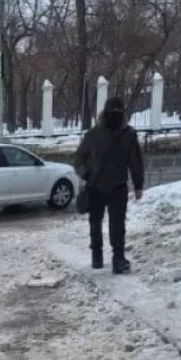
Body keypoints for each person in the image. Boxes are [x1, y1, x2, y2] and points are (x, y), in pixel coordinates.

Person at [74, 97, 145, 274]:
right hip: (112, 186)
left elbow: (79, 159)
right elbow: (135, 162)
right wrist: (138, 185)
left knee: (100, 223)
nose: (114, 115)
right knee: (113, 224)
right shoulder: (125, 134)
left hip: (102, 186)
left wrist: (86, 173)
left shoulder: (95, 134)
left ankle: (100, 258)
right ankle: (114, 259)